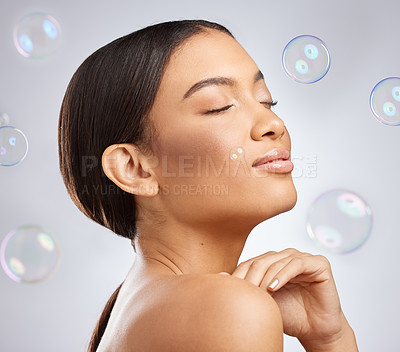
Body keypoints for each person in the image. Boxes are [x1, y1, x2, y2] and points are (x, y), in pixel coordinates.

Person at [58, 19, 359, 351]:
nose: (273, 123)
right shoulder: (229, 308)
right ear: (134, 169)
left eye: (266, 100)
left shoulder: (138, 307)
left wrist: (329, 337)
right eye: (220, 106)